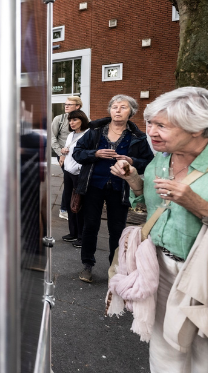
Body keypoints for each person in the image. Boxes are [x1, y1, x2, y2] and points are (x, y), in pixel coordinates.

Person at [109, 87, 208, 372]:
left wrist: (200, 206)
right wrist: (135, 182)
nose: (150, 131)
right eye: (150, 122)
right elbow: (151, 208)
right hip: (162, 270)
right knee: (166, 350)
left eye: (162, 125)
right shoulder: (162, 159)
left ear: (197, 128)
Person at [72, 94, 154, 283]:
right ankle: (87, 265)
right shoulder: (95, 131)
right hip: (93, 185)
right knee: (90, 226)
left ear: (131, 112)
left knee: (117, 229)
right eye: (115, 106)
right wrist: (95, 153)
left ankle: (115, 267)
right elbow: (77, 153)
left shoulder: (138, 138)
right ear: (110, 110)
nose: (118, 110)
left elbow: (149, 163)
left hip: (120, 188)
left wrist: (132, 161)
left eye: (123, 107)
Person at [60, 109, 89, 247]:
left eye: (75, 120)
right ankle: (73, 233)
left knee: (79, 205)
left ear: (82, 120)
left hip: (79, 175)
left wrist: (78, 168)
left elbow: (87, 155)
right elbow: (67, 150)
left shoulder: (88, 134)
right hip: (68, 173)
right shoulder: (71, 135)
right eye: (70, 120)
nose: (72, 122)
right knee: (69, 203)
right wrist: (63, 152)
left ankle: (82, 237)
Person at [52, 96, 83, 220]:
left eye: (70, 104)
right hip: (64, 156)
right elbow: (52, 137)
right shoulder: (59, 119)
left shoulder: (83, 119)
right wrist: (61, 153)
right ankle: (64, 209)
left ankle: (74, 207)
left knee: (77, 183)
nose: (66, 106)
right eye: (65, 104)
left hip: (79, 157)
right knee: (70, 182)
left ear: (78, 106)